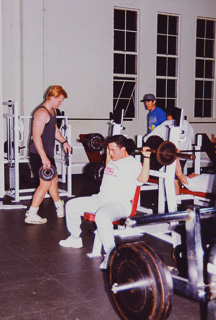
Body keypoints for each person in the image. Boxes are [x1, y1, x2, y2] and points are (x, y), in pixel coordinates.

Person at [59, 135, 151, 269]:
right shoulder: (113, 160)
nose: (110, 153)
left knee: (102, 215)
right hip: (100, 199)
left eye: (113, 150)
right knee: (71, 205)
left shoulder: (133, 164)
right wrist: (109, 149)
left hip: (119, 204)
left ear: (123, 149)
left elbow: (143, 179)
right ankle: (75, 238)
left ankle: (111, 253)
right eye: (109, 150)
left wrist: (147, 158)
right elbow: (108, 165)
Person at [25, 85, 72, 224]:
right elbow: (36, 136)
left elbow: (54, 128)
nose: (61, 103)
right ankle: (31, 213)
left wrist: (64, 141)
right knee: (45, 183)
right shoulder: (41, 113)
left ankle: (59, 207)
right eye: (59, 100)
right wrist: (44, 157)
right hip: (39, 153)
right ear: (51, 97)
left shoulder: (53, 111)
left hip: (47, 153)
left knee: (54, 181)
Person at [143, 106, 195, 194]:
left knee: (173, 180)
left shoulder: (167, 123)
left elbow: (147, 138)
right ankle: (175, 201)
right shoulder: (187, 124)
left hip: (173, 156)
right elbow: (193, 138)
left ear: (170, 116)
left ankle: (176, 204)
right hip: (184, 156)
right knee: (174, 179)